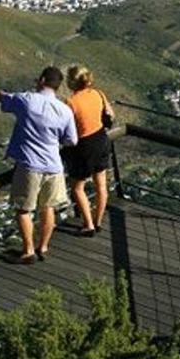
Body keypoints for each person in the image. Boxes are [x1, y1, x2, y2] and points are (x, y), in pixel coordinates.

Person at [0, 66, 77, 264]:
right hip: (54, 166)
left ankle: (28, 250)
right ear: (58, 86)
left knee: (24, 210)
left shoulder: (27, 100)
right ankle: (44, 246)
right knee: (48, 207)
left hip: (30, 165)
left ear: (41, 80)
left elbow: (5, 98)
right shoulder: (65, 110)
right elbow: (72, 140)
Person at [62, 65, 114, 236]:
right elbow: (111, 115)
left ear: (71, 82)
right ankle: (98, 221)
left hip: (83, 146)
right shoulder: (98, 93)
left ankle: (89, 224)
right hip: (101, 140)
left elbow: (65, 129)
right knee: (101, 185)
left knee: (77, 187)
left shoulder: (71, 102)